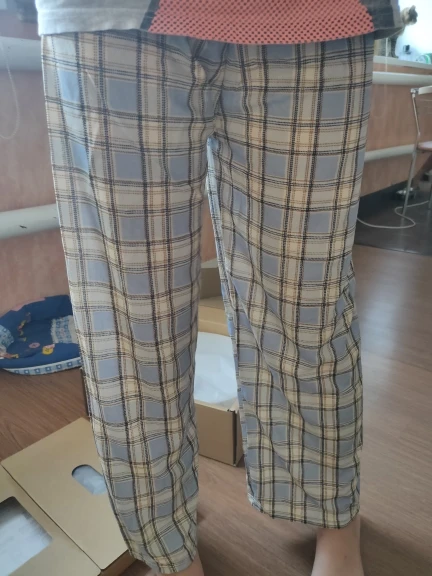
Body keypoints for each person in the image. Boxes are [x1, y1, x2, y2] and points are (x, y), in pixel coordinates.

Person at [35, 1, 401, 575]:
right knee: (132, 328)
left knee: (309, 303)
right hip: (110, 16)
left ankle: (335, 515)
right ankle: (169, 551)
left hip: (318, 13)